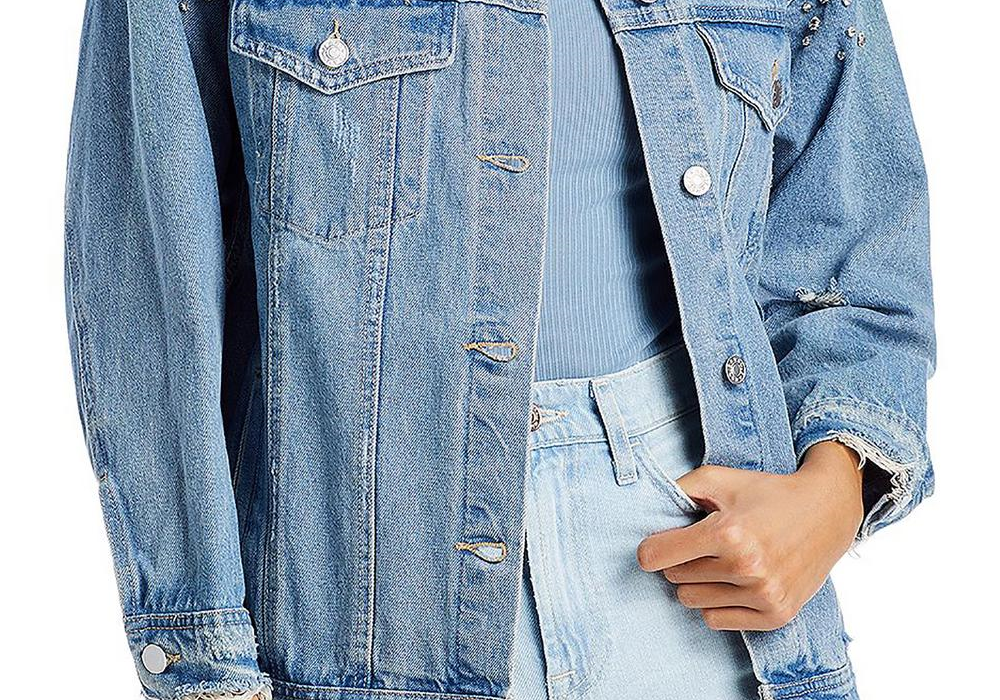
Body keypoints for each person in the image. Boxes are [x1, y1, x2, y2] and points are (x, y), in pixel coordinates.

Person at [64, 0, 934, 698]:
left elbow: (854, 236)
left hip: (702, 567)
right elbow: (147, 293)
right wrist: (202, 657)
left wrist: (836, 491)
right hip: (368, 604)